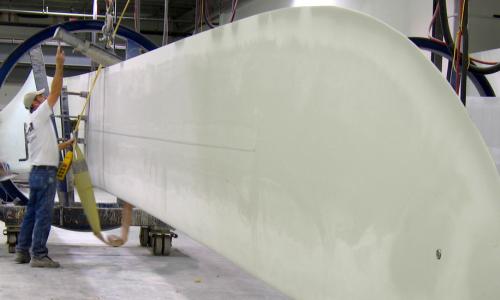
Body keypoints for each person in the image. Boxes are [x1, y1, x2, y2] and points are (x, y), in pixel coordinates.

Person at [15, 46, 73, 268]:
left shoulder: (32, 123)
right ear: (36, 104)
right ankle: (39, 254)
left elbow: (46, 146)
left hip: (37, 173)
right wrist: (59, 66)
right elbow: (56, 93)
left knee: (31, 214)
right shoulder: (40, 113)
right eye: (41, 96)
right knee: (43, 215)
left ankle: (22, 251)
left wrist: (65, 145)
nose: (44, 97)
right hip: (46, 174)